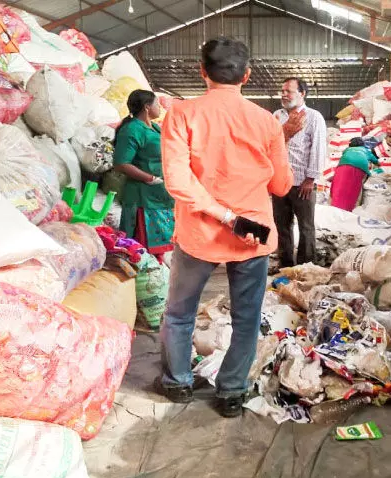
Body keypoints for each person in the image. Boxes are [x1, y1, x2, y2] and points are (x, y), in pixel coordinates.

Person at [158, 37, 293, 417]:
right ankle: (232, 392)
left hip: (199, 235)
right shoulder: (266, 122)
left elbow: (177, 182)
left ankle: (178, 383)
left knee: (180, 313)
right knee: (247, 320)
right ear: (246, 76)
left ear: (203, 72)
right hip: (253, 238)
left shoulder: (181, 114)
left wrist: (221, 214)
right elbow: (282, 186)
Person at [272, 77, 327, 268]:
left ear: (302, 94)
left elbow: (318, 149)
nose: (284, 95)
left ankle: (306, 266)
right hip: (280, 183)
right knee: (282, 226)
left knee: (306, 227)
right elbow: (272, 147)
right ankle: (285, 265)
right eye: (282, 91)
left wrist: (310, 179)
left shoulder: (313, 117)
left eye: (289, 91)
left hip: (302, 183)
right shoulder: (277, 116)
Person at [113, 89, 175, 257]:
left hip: (159, 196)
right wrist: (150, 178)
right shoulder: (132, 130)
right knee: (142, 248)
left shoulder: (154, 127)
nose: (160, 107)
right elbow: (121, 163)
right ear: (147, 107)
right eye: (157, 103)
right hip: (143, 198)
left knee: (161, 249)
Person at [330, 137, 378, 211]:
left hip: (343, 167)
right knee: (353, 189)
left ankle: (335, 207)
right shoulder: (366, 150)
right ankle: (349, 209)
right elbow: (376, 161)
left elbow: (344, 154)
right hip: (360, 169)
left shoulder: (347, 150)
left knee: (338, 187)